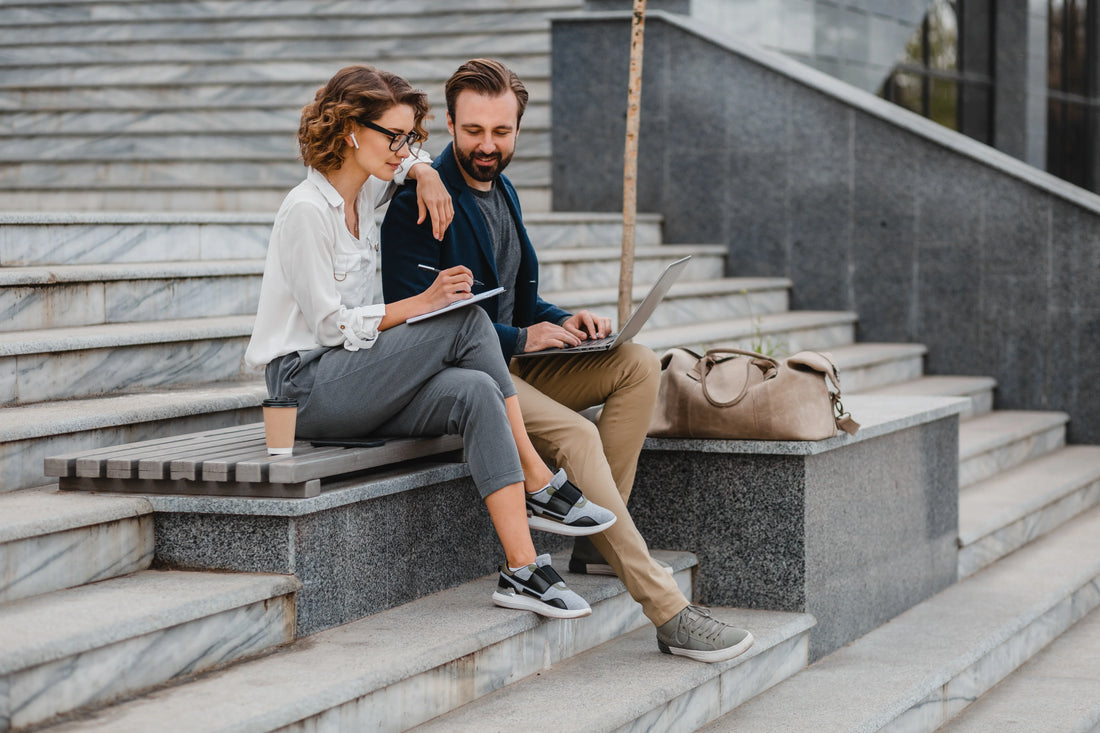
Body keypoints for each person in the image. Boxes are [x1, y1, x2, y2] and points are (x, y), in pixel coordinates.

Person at [381, 58, 755, 663]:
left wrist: (561, 320)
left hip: (513, 357)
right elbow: (420, 320)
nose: (487, 145)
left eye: (502, 132)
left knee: (636, 362)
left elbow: (516, 299)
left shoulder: (502, 189)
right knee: (579, 436)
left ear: (519, 129)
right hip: (463, 375)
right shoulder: (418, 200)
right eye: (473, 130)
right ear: (449, 123)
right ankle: (667, 610)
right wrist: (522, 339)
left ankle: (592, 546)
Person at [244, 65, 618, 621]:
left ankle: (522, 569)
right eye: (393, 137)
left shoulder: (371, 191)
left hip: (356, 378)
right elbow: (328, 327)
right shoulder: (305, 211)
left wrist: (425, 173)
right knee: (462, 317)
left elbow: (413, 162)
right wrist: (421, 304)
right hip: (304, 389)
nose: (404, 149)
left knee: (475, 391)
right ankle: (538, 477)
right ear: (351, 131)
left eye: (409, 137)